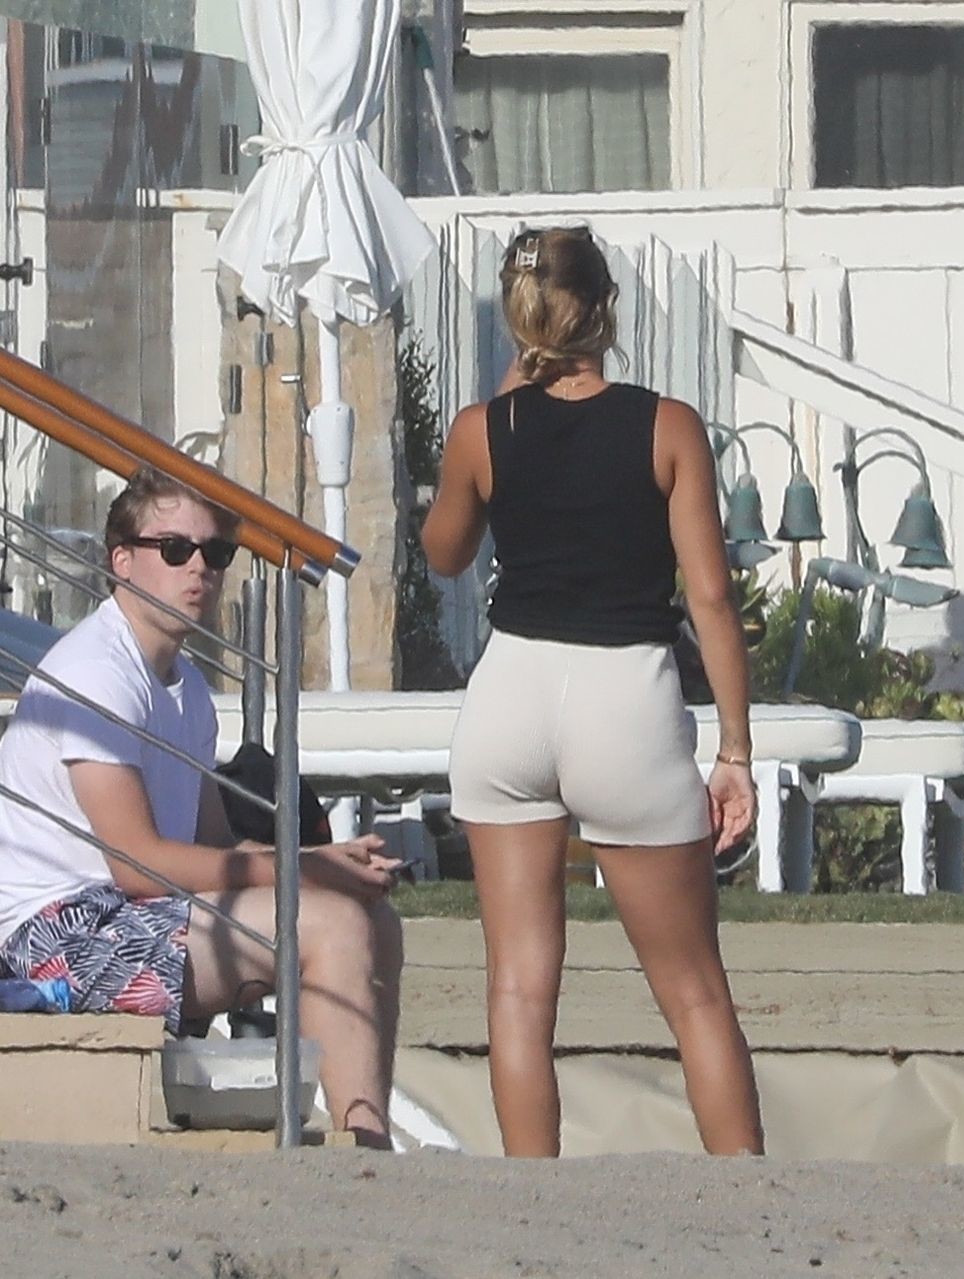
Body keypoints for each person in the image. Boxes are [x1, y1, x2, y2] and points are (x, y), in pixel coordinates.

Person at [424, 224, 763, 1158]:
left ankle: (532, 1203)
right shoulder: (667, 425)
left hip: (512, 691)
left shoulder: (482, 431)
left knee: (518, 989)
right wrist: (735, 748)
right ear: (607, 309)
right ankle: (752, 1198)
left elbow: (445, 552)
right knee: (694, 992)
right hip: (625, 693)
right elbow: (711, 597)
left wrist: (503, 403)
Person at [0, 468, 406, 1146]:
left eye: (216, 552)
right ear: (120, 559)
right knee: (329, 922)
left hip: (126, 911)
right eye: (174, 549)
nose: (199, 568)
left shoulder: (184, 686)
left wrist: (324, 862)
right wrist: (302, 871)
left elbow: (216, 846)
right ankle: (363, 1146)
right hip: (53, 933)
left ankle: (367, 1133)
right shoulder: (94, 672)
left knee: (372, 915)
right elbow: (137, 865)